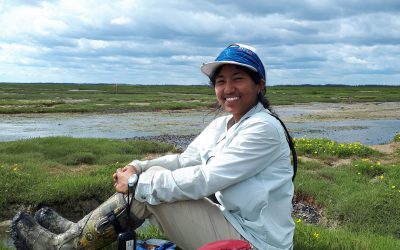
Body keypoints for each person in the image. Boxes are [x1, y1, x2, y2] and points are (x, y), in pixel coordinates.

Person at [11, 43, 297, 250]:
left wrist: (137, 182)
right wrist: (141, 166)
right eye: (221, 81)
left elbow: (205, 179)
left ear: (260, 85)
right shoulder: (226, 124)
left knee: (147, 193)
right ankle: (76, 232)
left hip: (257, 242)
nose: (228, 89)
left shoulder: (263, 128)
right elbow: (188, 160)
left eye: (238, 79)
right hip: (234, 221)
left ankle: (64, 246)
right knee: (152, 179)